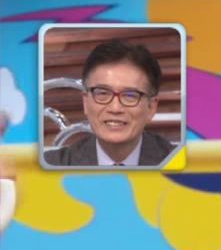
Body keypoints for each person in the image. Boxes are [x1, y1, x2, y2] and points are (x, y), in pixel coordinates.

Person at [42, 41, 174, 168]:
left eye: (130, 95)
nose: (115, 108)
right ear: (86, 102)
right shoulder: (49, 166)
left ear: (151, 107)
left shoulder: (178, 163)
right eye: (103, 93)